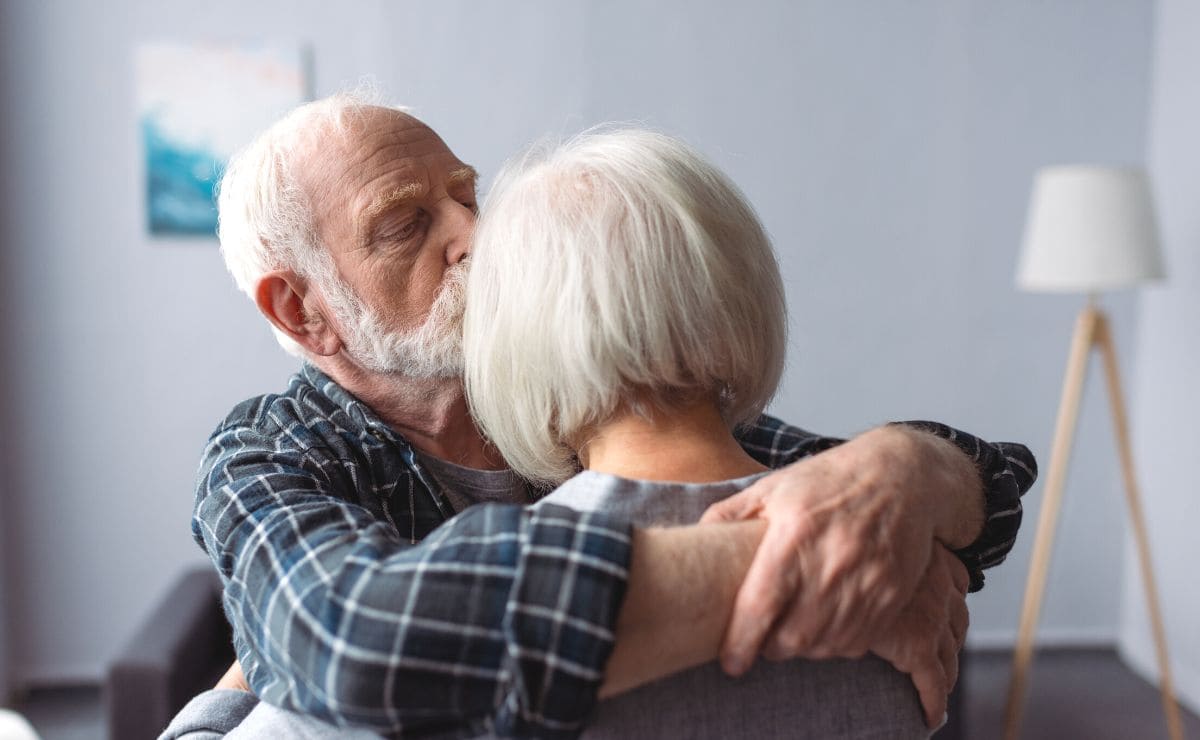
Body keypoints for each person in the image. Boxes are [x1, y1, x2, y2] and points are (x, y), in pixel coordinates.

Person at [165, 92, 1034, 738]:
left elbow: (975, 503)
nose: (473, 231)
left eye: (470, 195)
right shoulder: (270, 453)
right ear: (300, 312)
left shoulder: (606, 395)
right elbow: (354, 642)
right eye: (404, 223)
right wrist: (805, 560)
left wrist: (909, 471)